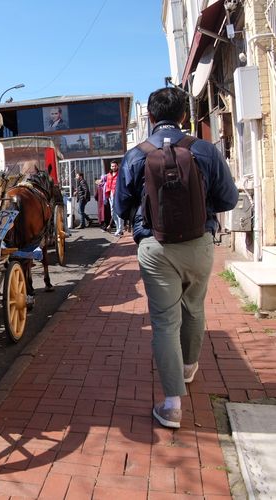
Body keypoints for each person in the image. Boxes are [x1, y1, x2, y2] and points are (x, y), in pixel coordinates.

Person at [115, 86, 238, 429]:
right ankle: (188, 369)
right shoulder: (205, 150)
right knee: (194, 308)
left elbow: (121, 207)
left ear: (151, 118)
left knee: (165, 322)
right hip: (199, 243)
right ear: (184, 116)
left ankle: (171, 406)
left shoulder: (137, 154)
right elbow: (228, 199)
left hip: (155, 248)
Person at [106, 160, 122, 235]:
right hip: (111, 194)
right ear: (110, 167)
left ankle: (120, 229)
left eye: (115, 166)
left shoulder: (120, 174)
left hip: (118, 194)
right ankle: (117, 227)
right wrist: (107, 195)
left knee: (119, 211)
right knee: (113, 212)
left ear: (117, 166)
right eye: (112, 166)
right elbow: (107, 185)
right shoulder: (109, 175)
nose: (113, 167)